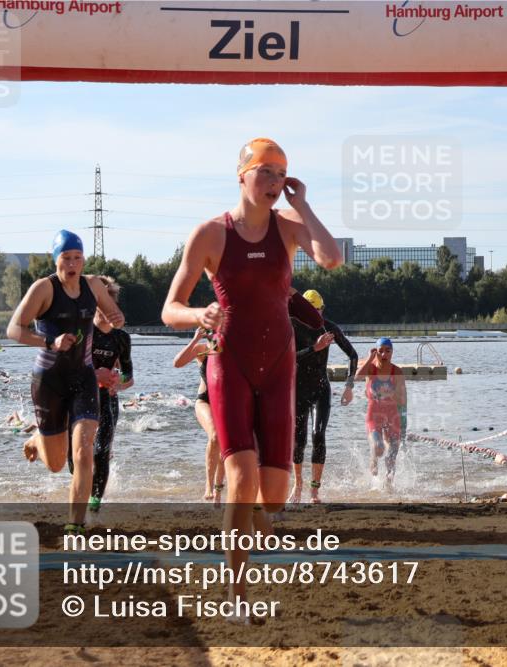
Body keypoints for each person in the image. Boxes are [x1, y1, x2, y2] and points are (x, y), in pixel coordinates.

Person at [162, 138, 342, 609]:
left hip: (279, 364)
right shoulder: (210, 234)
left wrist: (303, 203)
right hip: (230, 363)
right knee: (240, 476)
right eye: (264, 172)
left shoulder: (287, 226)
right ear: (241, 175)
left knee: (276, 497)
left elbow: (331, 258)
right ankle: (236, 592)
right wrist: (198, 314)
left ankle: (256, 515)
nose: (273, 182)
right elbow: (169, 308)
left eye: (281, 175)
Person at [6, 230, 124, 534]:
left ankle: (75, 524)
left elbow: (111, 314)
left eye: (77, 258)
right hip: (49, 382)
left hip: (83, 377)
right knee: (57, 464)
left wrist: (116, 317)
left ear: (83, 260)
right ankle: (36, 440)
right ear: (56, 259)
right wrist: (50, 341)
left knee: (85, 450)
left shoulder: (92, 285)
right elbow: (14, 330)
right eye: (66, 258)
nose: (72, 264)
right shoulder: (43, 289)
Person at [66, 276, 134, 513]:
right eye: (102, 307)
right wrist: (95, 373)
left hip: (107, 399)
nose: (107, 313)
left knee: (102, 451)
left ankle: (94, 502)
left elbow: (129, 376)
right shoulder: (83, 332)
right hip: (78, 396)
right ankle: (81, 482)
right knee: (73, 459)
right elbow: (67, 368)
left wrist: (118, 383)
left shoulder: (122, 338)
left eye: (111, 308)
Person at [288, 289, 359, 504]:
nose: (314, 315)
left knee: (318, 435)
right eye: (309, 310)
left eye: (317, 310)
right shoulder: (292, 326)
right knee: (298, 440)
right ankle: (297, 484)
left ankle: (315, 490)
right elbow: (288, 358)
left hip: (320, 388)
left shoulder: (329, 327)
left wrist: (349, 385)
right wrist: (314, 347)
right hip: (298, 389)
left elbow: (352, 355)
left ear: (322, 309)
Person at [173, 328, 225, 505]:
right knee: (215, 436)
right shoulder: (203, 350)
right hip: (205, 402)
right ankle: (209, 486)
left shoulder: (235, 349)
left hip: (227, 404)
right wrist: (195, 340)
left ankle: (219, 489)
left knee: (226, 445)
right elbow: (177, 363)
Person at [355, 337, 406, 488]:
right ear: (376, 352)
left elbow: (402, 399)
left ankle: (389, 485)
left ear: (392, 352)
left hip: (392, 414)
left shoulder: (396, 371)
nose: (384, 354)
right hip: (374, 413)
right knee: (379, 447)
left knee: (392, 453)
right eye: (380, 351)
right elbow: (357, 376)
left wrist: (393, 396)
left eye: (387, 351)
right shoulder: (371, 368)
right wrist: (370, 358)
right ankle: (373, 458)